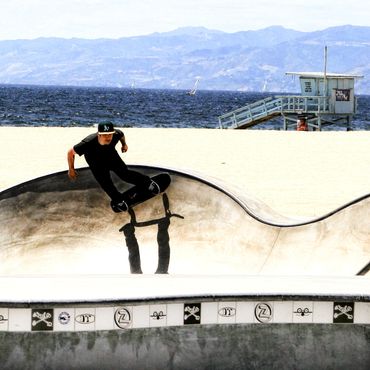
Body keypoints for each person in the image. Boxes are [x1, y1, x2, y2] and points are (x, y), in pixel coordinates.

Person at [67, 122, 159, 212]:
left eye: (110, 134)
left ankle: (147, 183)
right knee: (106, 183)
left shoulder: (116, 134)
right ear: (99, 135)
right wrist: (71, 169)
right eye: (105, 135)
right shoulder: (88, 142)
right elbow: (70, 153)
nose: (108, 137)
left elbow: (121, 134)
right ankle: (118, 200)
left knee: (125, 174)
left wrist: (124, 144)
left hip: (111, 156)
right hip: (95, 163)